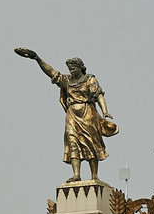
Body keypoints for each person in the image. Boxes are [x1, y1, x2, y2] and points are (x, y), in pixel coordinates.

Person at [15, 47, 118, 181]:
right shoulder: (67, 80)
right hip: (72, 115)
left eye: (73, 68)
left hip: (88, 113)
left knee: (91, 142)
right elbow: (52, 72)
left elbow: (98, 95)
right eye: (69, 69)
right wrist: (37, 59)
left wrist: (105, 111)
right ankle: (76, 174)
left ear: (80, 67)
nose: (71, 71)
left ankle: (94, 175)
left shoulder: (90, 79)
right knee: (72, 140)